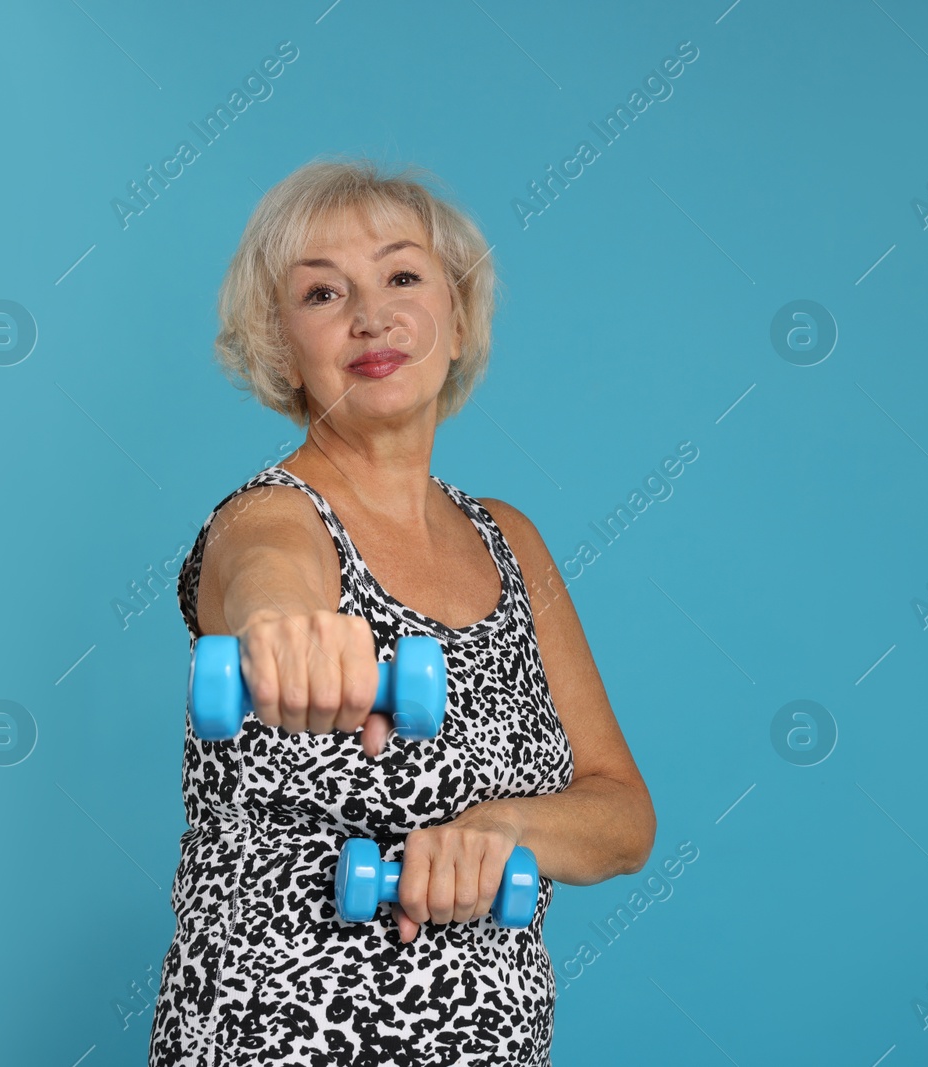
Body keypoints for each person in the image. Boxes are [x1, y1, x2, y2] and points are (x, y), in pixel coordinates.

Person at [148, 156, 656, 1066]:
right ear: (280, 343)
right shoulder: (268, 514)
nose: (370, 315)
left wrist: (502, 829)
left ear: (456, 321)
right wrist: (287, 634)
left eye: (403, 276)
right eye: (322, 294)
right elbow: (268, 572)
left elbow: (623, 818)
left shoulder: (510, 539)